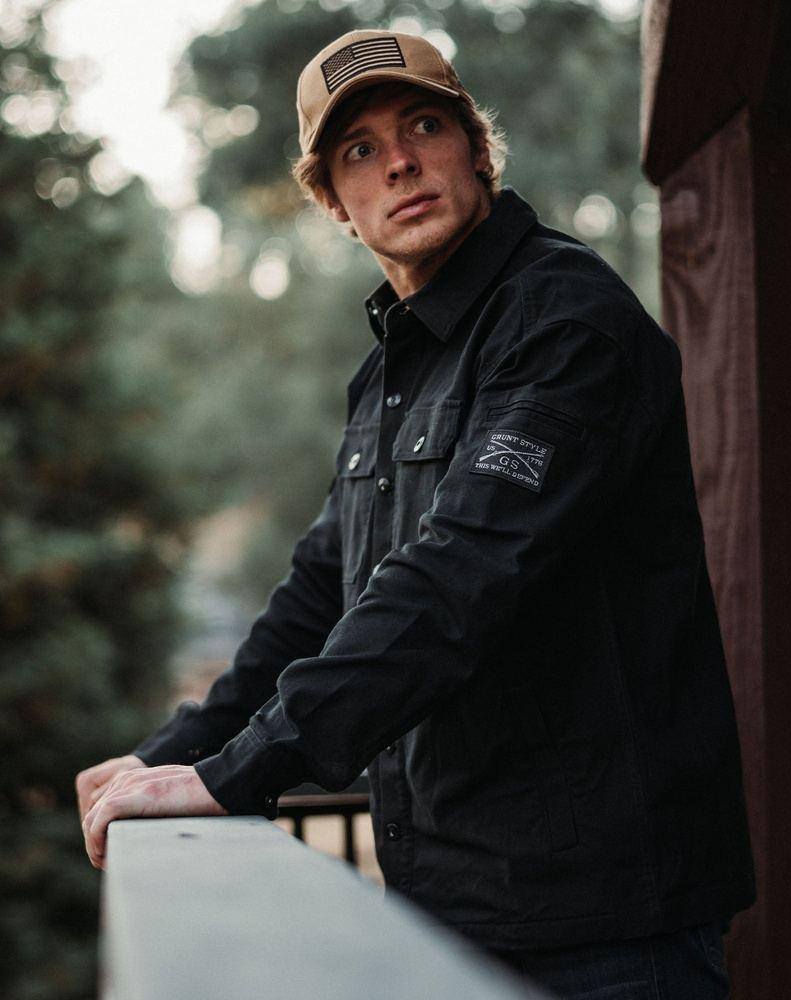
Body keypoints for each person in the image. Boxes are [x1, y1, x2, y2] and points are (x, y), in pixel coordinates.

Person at [77, 28, 755, 999]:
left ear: (476, 147)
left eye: (423, 127)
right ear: (333, 201)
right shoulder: (392, 368)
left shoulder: (565, 320)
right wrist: (173, 756)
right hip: (452, 908)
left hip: (605, 929)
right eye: (359, 150)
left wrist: (242, 772)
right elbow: (320, 595)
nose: (397, 162)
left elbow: (458, 578)